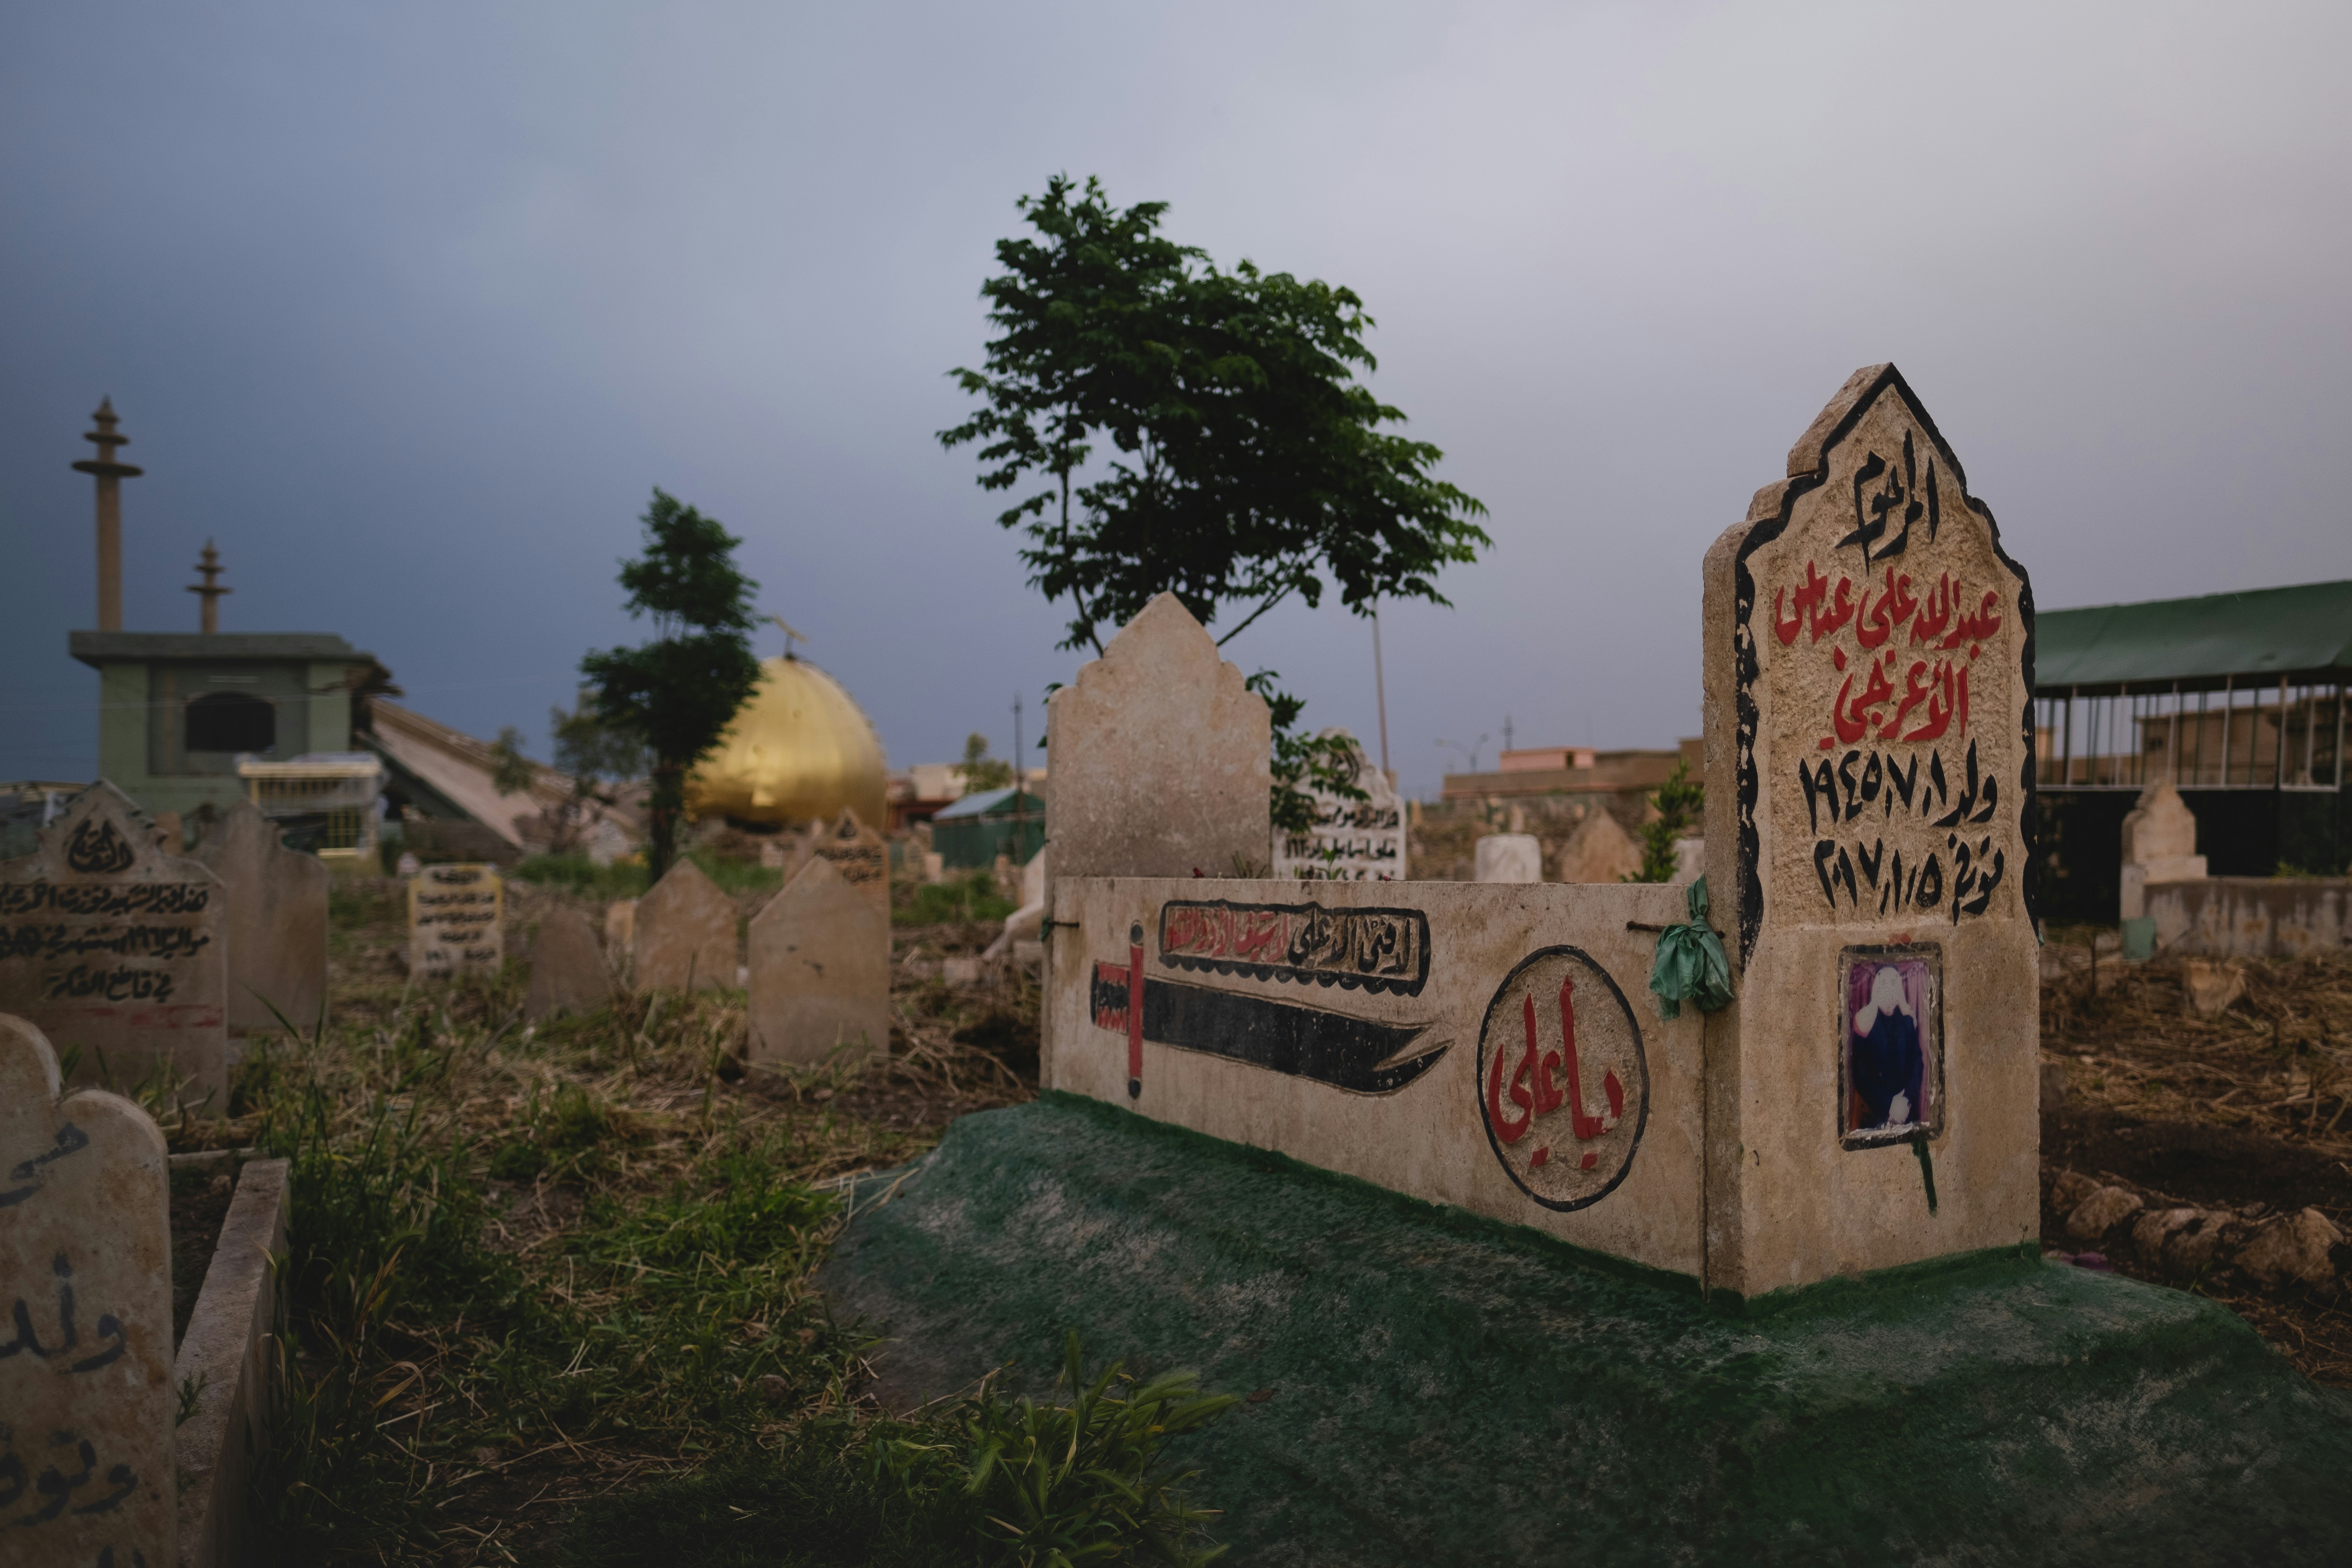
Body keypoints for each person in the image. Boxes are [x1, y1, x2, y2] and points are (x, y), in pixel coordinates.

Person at [1849, 963, 1924, 1131]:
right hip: (1877, 1113)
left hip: (1906, 1111)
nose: (1888, 989)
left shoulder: (1907, 1021)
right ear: (1877, 988)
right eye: (1884, 984)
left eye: (1893, 984)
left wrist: (1905, 1099)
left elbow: (1917, 1063)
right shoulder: (1865, 1022)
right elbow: (1860, 1075)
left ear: (1898, 989)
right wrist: (1889, 1104)